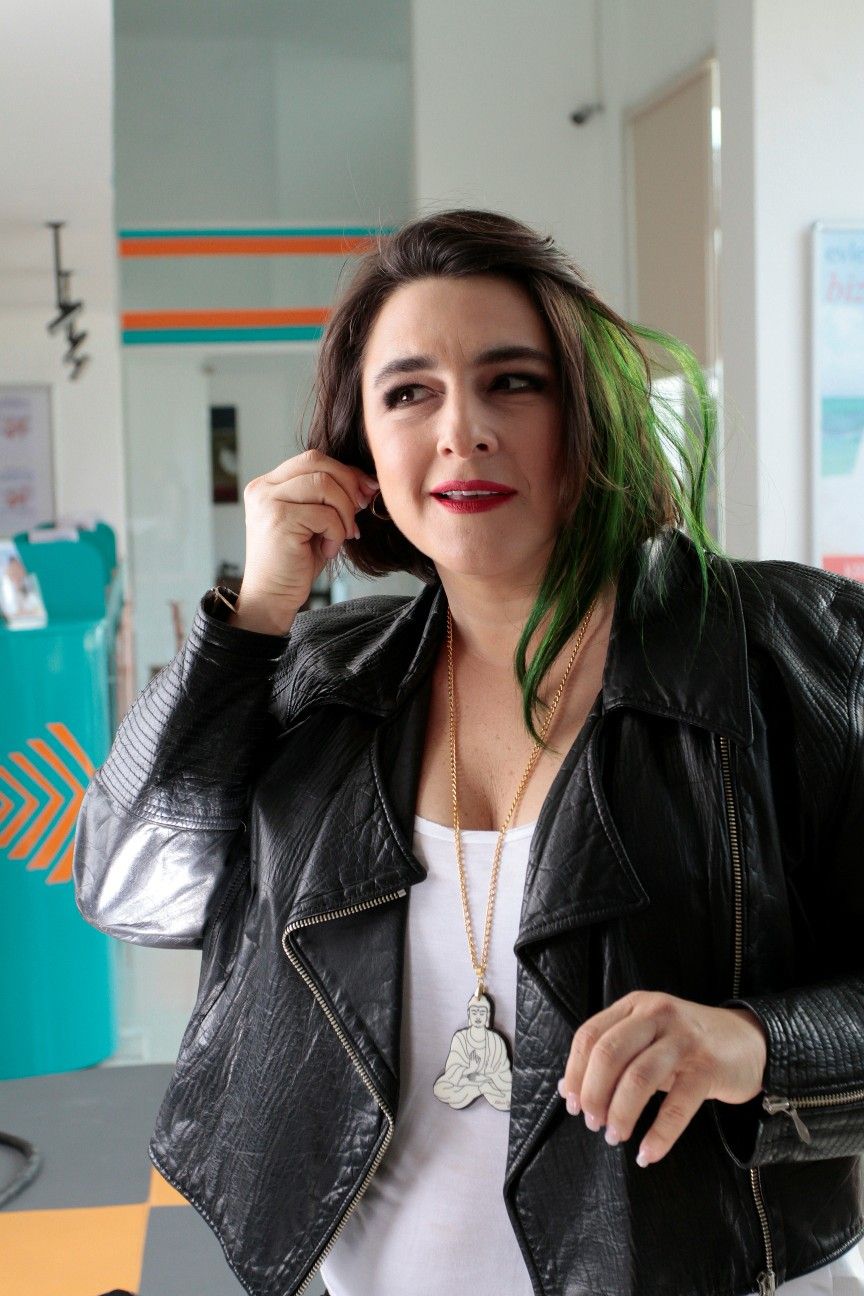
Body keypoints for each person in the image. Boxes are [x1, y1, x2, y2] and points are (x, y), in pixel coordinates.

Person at [73, 209, 864, 1296]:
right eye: (409, 393)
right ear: (356, 448)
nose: (463, 431)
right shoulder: (322, 677)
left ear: (588, 413)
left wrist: (757, 1043)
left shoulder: (790, 646)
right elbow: (132, 890)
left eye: (513, 383)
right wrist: (250, 618)